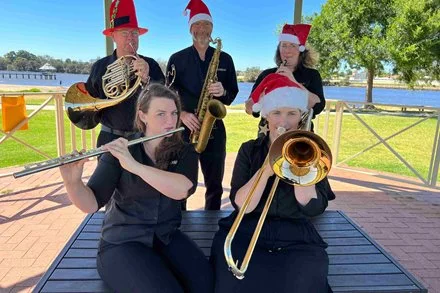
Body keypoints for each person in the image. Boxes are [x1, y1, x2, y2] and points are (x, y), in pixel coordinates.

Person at [59, 84, 213, 293]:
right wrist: (73, 183)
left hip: (166, 236)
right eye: (161, 114)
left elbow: (182, 189)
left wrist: (134, 166)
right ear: (143, 116)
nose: (170, 121)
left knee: (205, 283)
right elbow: (91, 203)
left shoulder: (184, 151)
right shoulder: (121, 150)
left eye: (174, 113)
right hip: (123, 242)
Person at [210, 73, 336, 293]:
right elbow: (242, 205)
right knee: (233, 283)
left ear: (301, 116)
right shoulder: (249, 150)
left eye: (291, 113)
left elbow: (314, 207)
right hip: (247, 229)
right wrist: (266, 170)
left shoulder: (313, 151)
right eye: (276, 112)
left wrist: (300, 168)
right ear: (266, 116)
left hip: (296, 236)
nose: (284, 121)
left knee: (304, 282)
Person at [166, 0, 239, 210]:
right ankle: (178, 224)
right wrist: (182, 114)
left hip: (214, 131)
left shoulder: (225, 59)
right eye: (197, 25)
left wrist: (223, 91)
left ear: (212, 28)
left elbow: (232, 92)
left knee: (214, 185)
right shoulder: (176, 59)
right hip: (183, 129)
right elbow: (167, 93)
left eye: (206, 25)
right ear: (190, 28)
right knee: (182, 185)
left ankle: (212, 225)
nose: (202, 29)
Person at [86, 0, 165, 147]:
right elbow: (90, 103)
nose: (130, 38)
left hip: (143, 139)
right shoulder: (100, 67)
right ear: (113, 36)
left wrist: (147, 79)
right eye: (124, 33)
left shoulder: (151, 65)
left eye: (134, 33)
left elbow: (164, 101)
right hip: (109, 139)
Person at [245, 23, 324, 136]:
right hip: (268, 135)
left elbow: (318, 106)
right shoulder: (267, 74)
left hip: (299, 135)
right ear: (279, 49)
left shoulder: (312, 75)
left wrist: (293, 82)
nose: (287, 51)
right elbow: (249, 109)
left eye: (292, 45)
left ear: (301, 50)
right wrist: (263, 92)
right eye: (284, 45)